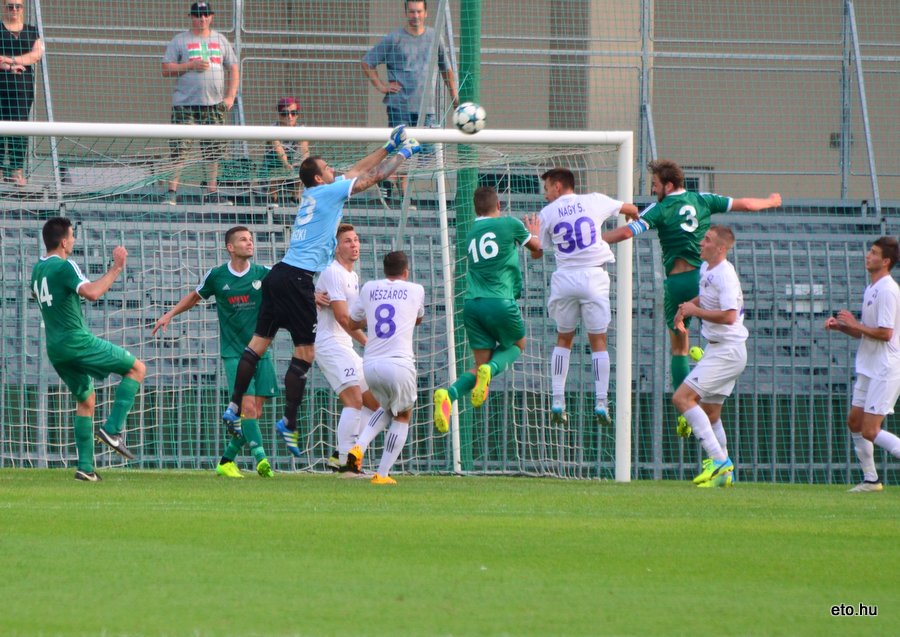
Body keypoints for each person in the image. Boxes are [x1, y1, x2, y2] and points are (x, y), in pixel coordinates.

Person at [220, 125, 423, 459]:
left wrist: (388, 147)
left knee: (257, 345)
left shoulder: (315, 194)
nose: (333, 170)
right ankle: (289, 421)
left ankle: (232, 407)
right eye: (327, 168)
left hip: (279, 274)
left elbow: (357, 170)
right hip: (298, 278)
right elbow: (371, 178)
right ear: (318, 178)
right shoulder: (328, 193)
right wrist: (404, 153)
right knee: (305, 353)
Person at [602, 159, 781, 434]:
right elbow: (744, 204)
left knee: (679, 348)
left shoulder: (660, 209)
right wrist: (770, 201)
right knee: (717, 334)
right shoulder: (703, 199)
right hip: (703, 280)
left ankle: (685, 411)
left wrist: (595, 239)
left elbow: (627, 232)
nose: (653, 190)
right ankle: (706, 363)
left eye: (655, 185)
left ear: (668, 185)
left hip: (677, 283)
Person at [152, 226, 276, 479]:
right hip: (235, 354)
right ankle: (262, 460)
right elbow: (194, 297)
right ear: (230, 247)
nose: (250, 243)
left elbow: (290, 288)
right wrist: (169, 314)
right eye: (243, 239)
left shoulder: (264, 273)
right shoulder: (217, 276)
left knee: (254, 412)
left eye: (251, 239)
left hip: (262, 352)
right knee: (248, 408)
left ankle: (226, 462)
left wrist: (312, 297)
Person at [30, 217, 146, 481]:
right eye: (72, 236)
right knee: (137, 369)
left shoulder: (38, 268)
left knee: (86, 400)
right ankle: (113, 430)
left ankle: (85, 468)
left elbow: (37, 295)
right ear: (63, 242)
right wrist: (116, 268)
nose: (73, 241)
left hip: (55, 347)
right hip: (76, 341)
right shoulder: (64, 265)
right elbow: (92, 292)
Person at [533, 167, 639, 425]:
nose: (545, 194)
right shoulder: (594, 200)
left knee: (563, 339)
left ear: (558, 186)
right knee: (598, 342)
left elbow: (537, 252)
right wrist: (628, 218)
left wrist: (533, 234)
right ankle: (601, 402)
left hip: (565, 279)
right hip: (593, 277)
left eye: (547, 188)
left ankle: (558, 399)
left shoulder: (547, 213)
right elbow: (632, 208)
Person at [433, 186, 542, 432]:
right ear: (499, 205)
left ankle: (449, 395)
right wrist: (535, 233)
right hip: (500, 300)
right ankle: (490, 369)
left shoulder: (471, 232)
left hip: (472, 304)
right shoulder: (509, 223)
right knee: (518, 344)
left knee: (480, 365)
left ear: (475, 209)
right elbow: (537, 248)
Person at [671, 225, 747, 488]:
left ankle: (719, 461)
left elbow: (729, 316)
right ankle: (725, 474)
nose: (701, 243)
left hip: (728, 350)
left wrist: (695, 311)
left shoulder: (725, 275)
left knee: (682, 398)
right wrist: (686, 308)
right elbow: (704, 297)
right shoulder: (707, 268)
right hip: (719, 348)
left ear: (721, 248)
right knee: (711, 413)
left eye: (707, 240)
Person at [824, 236, 900, 492]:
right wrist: (843, 327)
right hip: (868, 365)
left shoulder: (888, 289)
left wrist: (855, 324)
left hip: (885, 367)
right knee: (855, 422)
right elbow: (867, 332)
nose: (868, 255)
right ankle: (871, 480)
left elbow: (885, 333)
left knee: (870, 430)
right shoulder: (872, 288)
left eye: (874, 253)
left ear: (886, 261)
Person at [361, 0, 458, 196]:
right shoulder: (394, 38)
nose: (416, 16)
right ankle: (397, 186)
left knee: (426, 153)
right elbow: (367, 62)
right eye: (412, 12)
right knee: (401, 147)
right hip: (400, 106)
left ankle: (393, 178)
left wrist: (455, 99)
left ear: (426, 13)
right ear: (406, 13)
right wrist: (381, 86)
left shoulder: (434, 38)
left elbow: (446, 70)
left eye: (419, 12)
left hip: (426, 107)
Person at [347, 251, 425, 484]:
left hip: (371, 364)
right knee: (404, 414)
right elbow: (418, 318)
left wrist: (370, 317)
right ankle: (382, 474)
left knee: (388, 408)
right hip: (399, 363)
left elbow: (352, 322)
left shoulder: (369, 288)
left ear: (384, 270)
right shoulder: (416, 289)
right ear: (406, 272)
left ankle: (358, 447)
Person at [314, 223, 383, 474]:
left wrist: (367, 342)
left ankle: (339, 456)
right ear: (336, 248)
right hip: (329, 344)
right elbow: (343, 318)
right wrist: (370, 339)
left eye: (356, 240)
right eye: (347, 241)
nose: (354, 245)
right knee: (354, 399)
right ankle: (347, 463)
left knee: (377, 405)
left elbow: (348, 321)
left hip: (344, 344)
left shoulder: (352, 276)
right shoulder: (333, 272)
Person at [161, 1, 239, 206]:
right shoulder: (180, 40)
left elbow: (233, 67)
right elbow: (166, 69)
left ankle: (212, 191)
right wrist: (190, 65)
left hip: (213, 105)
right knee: (179, 149)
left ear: (211, 16)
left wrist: (230, 96)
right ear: (191, 17)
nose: (201, 18)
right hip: (185, 105)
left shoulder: (220, 40)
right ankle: (171, 192)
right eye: (197, 15)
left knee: (213, 150)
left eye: (205, 15)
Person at [0, 0, 43, 187]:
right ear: (4, 7)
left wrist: (9, 60)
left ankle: (16, 170)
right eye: (10, 6)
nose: (14, 9)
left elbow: (35, 55)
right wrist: (12, 66)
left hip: (22, 88)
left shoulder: (32, 31)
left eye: (18, 6)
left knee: (19, 127)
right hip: (2, 85)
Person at [263, 96, 309, 207]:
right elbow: (278, 149)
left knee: (304, 170)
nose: (289, 116)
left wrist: (305, 166)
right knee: (277, 172)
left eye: (293, 113)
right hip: (273, 166)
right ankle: (273, 199)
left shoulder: (301, 130)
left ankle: (295, 198)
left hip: (292, 167)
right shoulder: (273, 129)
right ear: (279, 114)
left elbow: (304, 150)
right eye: (285, 113)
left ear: (297, 114)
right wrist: (286, 164)